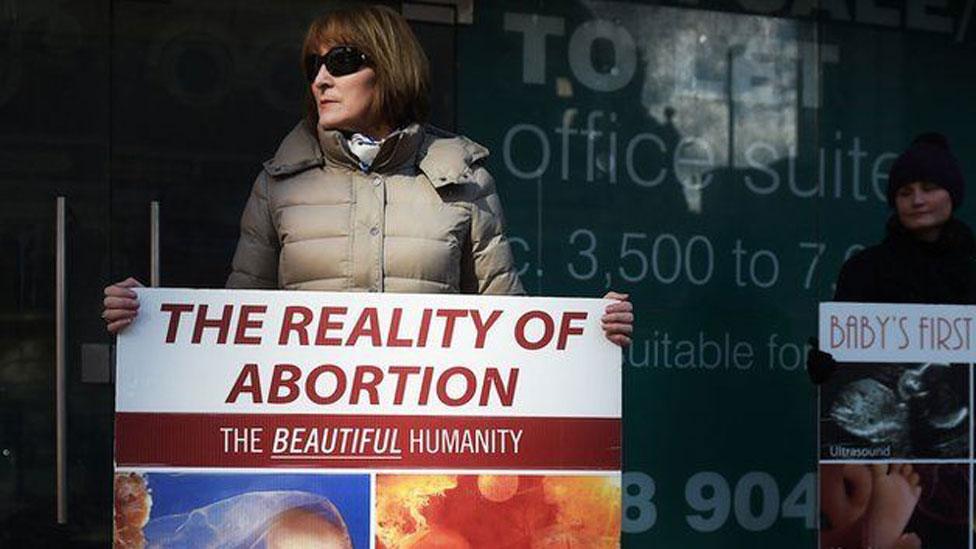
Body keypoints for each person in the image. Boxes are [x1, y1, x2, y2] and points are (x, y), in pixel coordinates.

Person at [101, 5, 633, 346]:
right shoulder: (279, 182)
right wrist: (145, 319)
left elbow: (509, 324)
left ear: (390, 67)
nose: (321, 79)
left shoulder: (463, 177)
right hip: (310, 436)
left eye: (342, 61)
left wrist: (590, 338)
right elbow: (236, 329)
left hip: (429, 434)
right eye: (313, 65)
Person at [807, 132, 973, 383]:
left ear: (953, 195)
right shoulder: (864, 270)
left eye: (929, 189)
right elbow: (844, 370)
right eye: (905, 193)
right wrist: (828, 364)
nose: (917, 200)